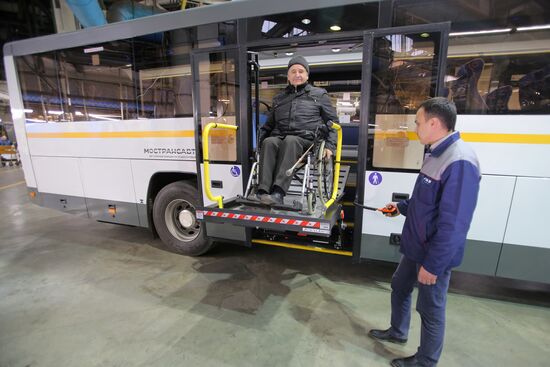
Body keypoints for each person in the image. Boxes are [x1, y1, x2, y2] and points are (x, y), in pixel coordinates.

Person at [368, 97, 481, 367]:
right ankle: (398, 331)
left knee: (430, 309)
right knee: (400, 286)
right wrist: (399, 208)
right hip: (416, 246)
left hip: (432, 254)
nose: (415, 128)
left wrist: (433, 265)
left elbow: (454, 224)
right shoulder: (435, 153)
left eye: (418, 122)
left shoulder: (460, 161)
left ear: (434, 122)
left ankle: (426, 361)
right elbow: (425, 202)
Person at [252, 55, 338, 205]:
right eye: (293, 71)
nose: (297, 74)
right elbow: (268, 126)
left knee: (291, 141)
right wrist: (258, 145)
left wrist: (330, 146)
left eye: (301, 71)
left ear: (307, 75)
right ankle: (263, 191)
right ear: (288, 76)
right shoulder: (279, 99)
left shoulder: (319, 95)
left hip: (306, 140)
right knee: (269, 142)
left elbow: (333, 123)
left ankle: (278, 193)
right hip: (281, 138)